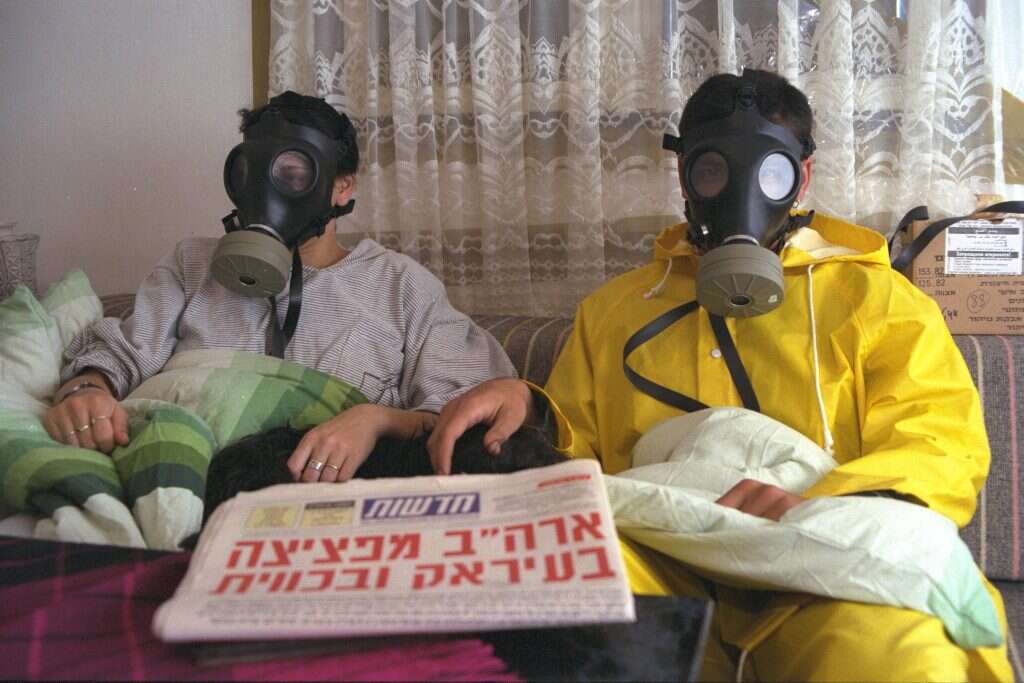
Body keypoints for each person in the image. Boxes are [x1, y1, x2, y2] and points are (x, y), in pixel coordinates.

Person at [427, 69, 1013, 680]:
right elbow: (574, 465)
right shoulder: (613, 313)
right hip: (659, 555)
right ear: (683, 175)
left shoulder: (880, 301)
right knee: (562, 600)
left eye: (771, 173)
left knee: (897, 656)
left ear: (803, 176)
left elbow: (938, 444)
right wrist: (530, 406)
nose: (740, 193)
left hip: (820, 561)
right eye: (712, 170)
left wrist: (819, 508)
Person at [44, 91, 517, 484]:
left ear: (343, 187)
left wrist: (375, 420)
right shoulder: (191, 264)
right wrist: (86, 392)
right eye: (252, 175)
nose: (267, 195)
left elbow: (458, 414)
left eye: (293, 176)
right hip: (182, 479)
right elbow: (122, 356)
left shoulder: (401, 286)